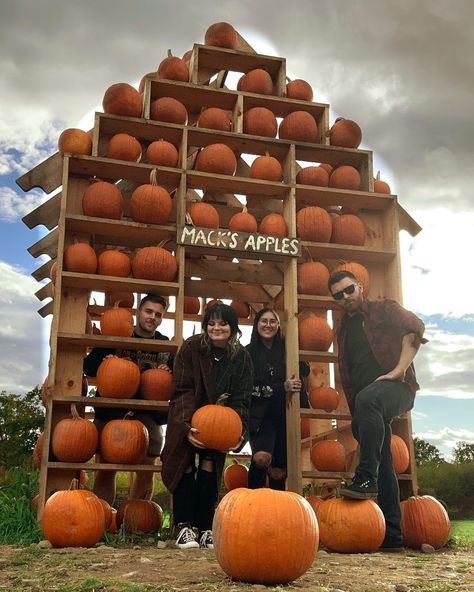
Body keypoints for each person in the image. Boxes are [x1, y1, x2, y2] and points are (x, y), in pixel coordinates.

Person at [328, 270, 427, 552]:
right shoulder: (344, 331)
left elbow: (415, 327)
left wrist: (399, 370)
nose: (345, 297)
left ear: (359, 286)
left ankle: (365, 476)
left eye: (349, 290)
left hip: (397, 389)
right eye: (338, 295)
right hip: (366, 403)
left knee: (370, 399)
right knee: (384, 461)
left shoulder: (385, 309)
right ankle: (392, 537)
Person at [161, 303, 252, 550]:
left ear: (233, 328)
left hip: (221, 420)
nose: (216, 327)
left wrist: (239, 431)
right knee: (185, 465)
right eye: (211, 323)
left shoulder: (241, 357)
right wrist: (185, 426)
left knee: (210, 465)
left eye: (222, 323)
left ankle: (206, 527)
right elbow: (181, 390)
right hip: (189, 417)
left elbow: (242, 399)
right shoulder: (191, 348)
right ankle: (184, 526)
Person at [83, 293, 172, 505]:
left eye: (158, 315)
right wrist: (106, 360)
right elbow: (89, 367)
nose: (153, 317)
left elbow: (172, 381)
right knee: (105, 469)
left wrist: (168, 371)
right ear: (138, 312)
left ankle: (136, 520)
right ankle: (102, 517)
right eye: (148, 311)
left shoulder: (164, 344)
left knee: (146, 470)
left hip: (147, 414)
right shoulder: (119, 333)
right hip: (111, 412)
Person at [246, 307, 309, 491]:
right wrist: (282, 387)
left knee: (279, 470)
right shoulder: (248, 353)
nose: (268, 325)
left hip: (285, 413)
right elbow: (250, 389)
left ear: (279, 325)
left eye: (272, 321)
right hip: (260, 416)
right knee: (261, 458)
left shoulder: (288, 350)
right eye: (263, 321)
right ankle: (252, 505)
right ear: (256, 325)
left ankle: (277, 514)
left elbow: (303, 370)